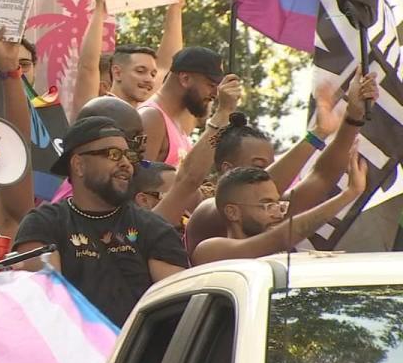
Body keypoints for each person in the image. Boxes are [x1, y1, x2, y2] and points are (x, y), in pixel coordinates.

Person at [14, 116, 188, 327]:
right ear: (79, 165)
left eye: (128, 155)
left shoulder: (155, 229)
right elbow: (45, 304)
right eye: (113, 155)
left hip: (137, 355)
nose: (126, 164)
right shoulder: (43, 224)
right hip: (70, 352)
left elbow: (178, 313)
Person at [184, 70, 377, 257]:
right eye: (260, 166)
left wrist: (353, 116)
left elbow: (322, 177)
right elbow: (283, 232)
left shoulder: (271, 210)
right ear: (228, 170)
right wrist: (317, 134)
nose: (277, 211)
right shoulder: (209, 214)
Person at [192, 154, 366, 265]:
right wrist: (349, 194)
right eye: (267, 205)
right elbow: (282, 236)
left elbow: (320, 176)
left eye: (278, 204)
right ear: (233, 212)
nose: (277, 214)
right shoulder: (209, 251)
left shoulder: (282, 252)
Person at [71, 0, 186, 116]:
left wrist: (176, 6)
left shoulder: (146, 111)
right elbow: (87, 66)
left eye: (152, 74)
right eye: (140, 71)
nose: (149, 79)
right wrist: (100, 7)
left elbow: (167, 66)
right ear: (117, 72)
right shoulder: (92, 108)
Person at [140, 46, 224, 165]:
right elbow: (140, 179)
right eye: (211, 85)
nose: (215, 94)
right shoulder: (151, 118)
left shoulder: (173, 121)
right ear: (185, 79)